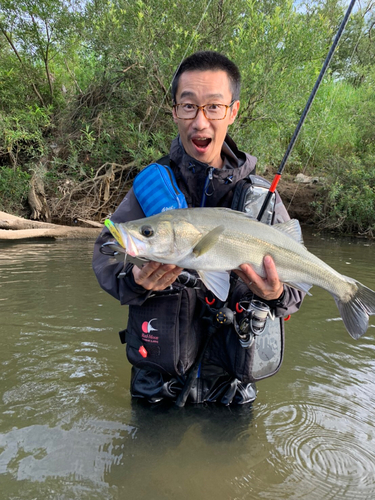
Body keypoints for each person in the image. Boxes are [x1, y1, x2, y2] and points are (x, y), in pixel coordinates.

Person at [92, 51, 304, 405]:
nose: (200, 122)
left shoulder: (262, 197)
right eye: (188, 106)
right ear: (175, 111)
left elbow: (295, 290)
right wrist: (133, 280)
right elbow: (108, 250)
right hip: (159, 377)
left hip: (232, 380)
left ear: (233, 111)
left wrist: (276, 295)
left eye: (214, 107)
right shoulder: (150, 187)